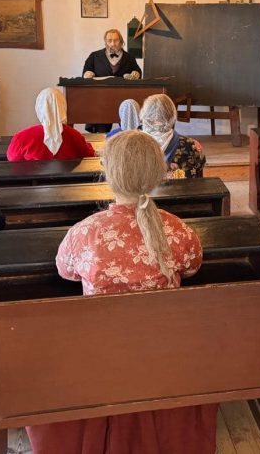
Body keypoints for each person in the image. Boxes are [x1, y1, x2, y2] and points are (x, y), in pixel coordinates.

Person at [25, 130, 214, 454]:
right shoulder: (178, 229)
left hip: (100, 352)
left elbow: (65, 271)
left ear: (109, 173)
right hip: (165, 350)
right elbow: (193, 266)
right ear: (158, 172)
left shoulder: (85, 232)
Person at [7, 87, 95, 161]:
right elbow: (90, 154)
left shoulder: (21, 138)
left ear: (39, 108)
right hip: (69, 181)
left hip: (32, 181)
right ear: (62, 106)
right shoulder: (75, 136)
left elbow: (12, 159)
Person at [140, 94, 205, 178]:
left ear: (143, 114)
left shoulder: (129, 144)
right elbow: (199, 185)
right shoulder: (192, 146)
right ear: (173, 114)